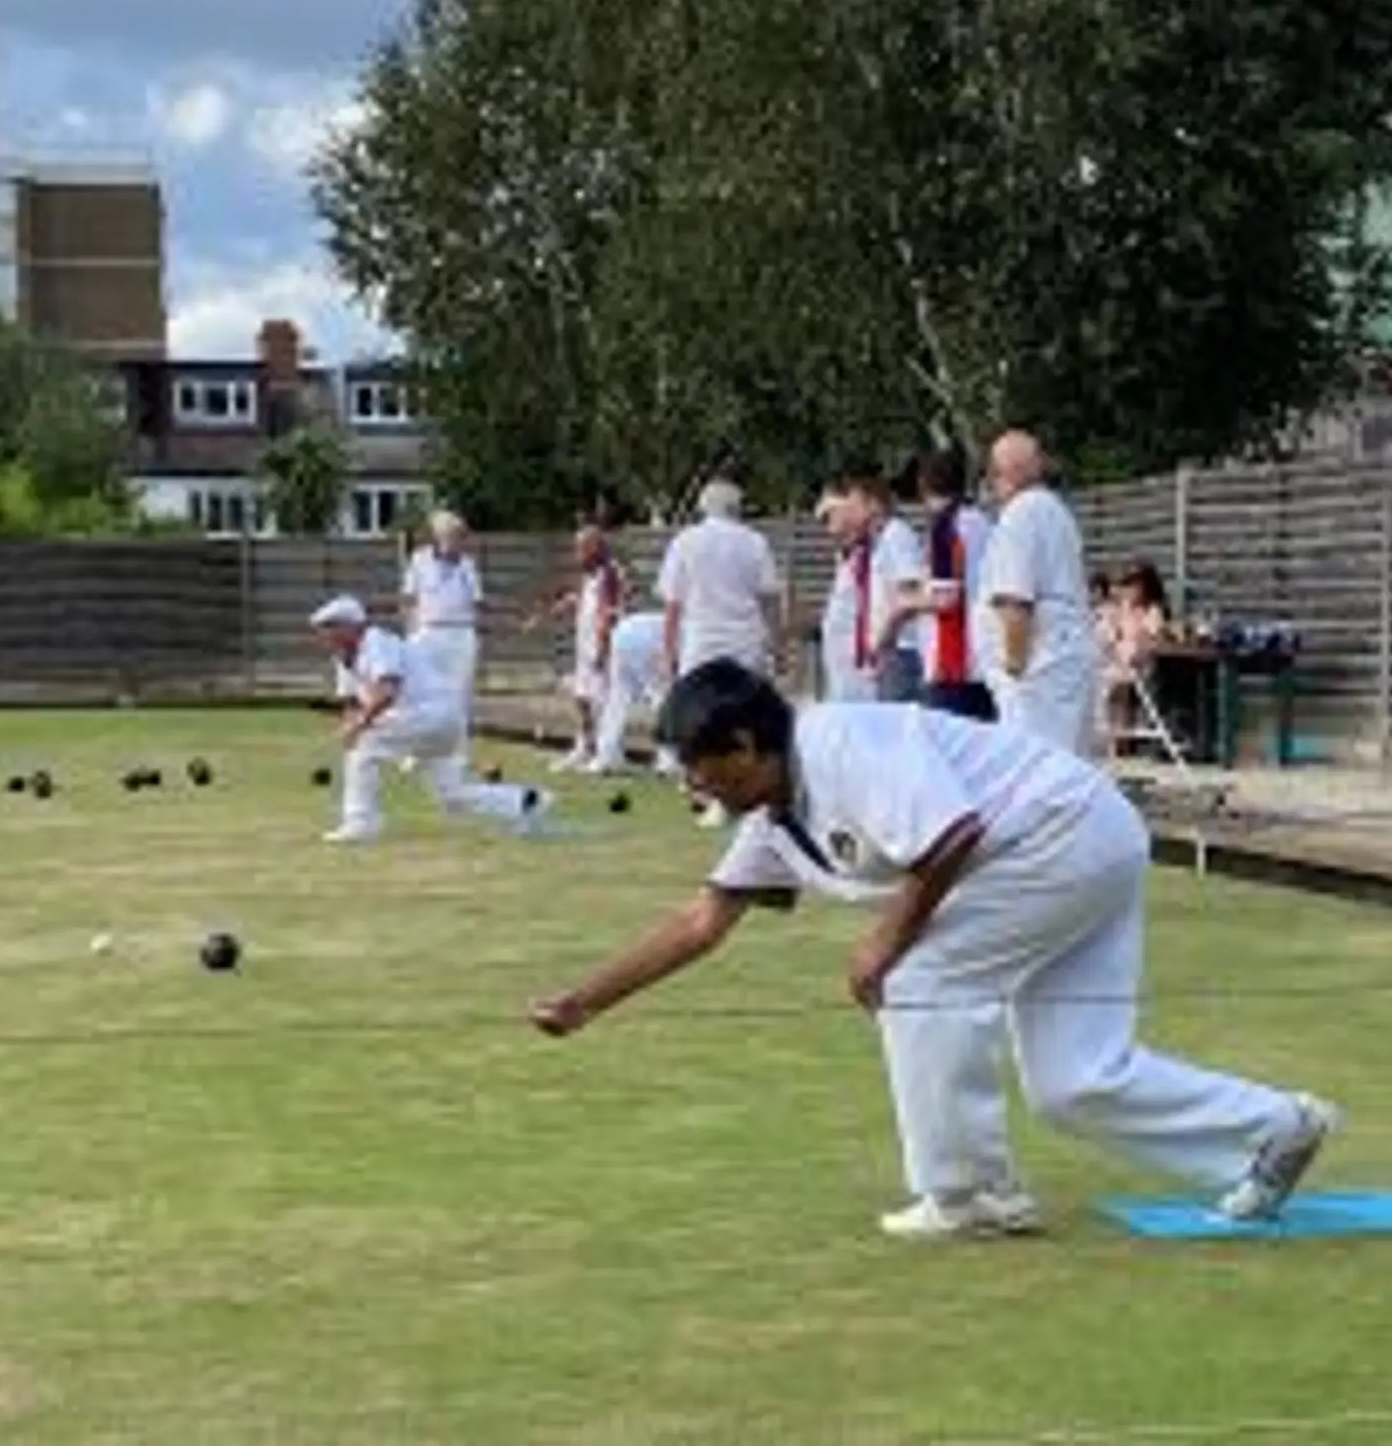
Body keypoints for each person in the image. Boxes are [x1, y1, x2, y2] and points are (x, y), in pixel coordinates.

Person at [529, 659, 1339, 1240]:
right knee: (1073, 1079)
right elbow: (701, 922)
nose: (693, 785)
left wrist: (884, 939)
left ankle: (971, 1195)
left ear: (743, 744)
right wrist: (584, 1001)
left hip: (1063, 834)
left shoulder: (841, 743)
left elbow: (952, 832)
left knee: (919, 975)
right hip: (1077, 846)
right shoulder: (774, 818)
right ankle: (1276, 1129)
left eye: (699, 768)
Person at [310, 595, 552, 842]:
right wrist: (350, 723)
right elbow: (352, 701)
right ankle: (526, 801)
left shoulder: (377, 643)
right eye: (321, 630)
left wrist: (360, 725)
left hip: (431, 715)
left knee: (366, 744)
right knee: (453, 795)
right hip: (432, 721)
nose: (323, 637)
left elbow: (387, 690)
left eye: (329, 628)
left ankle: (360, 822)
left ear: (351, 626)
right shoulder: (343, 657)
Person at [656, 478, 783, 826]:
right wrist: (778, 644)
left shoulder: (686, 541)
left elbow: (673, 604)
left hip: (702, 640)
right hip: (746, 640)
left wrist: (669, 651)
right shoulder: (755, 541)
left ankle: (714, 797)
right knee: (746, 723)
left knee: (700, 725)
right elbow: (769, 598)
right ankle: (745, 795)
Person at [979, 431, 1102, 755]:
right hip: (1067, 657)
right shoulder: (1057, 512)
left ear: (1001, 474)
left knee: (1032, 764)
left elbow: (1015, 599)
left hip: (1038, 670)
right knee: (1068, 762)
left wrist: (1013, 667)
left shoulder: (1019, 516)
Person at [822, 467, 926, 702]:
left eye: (855, 503)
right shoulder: (879, 542)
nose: (850, 509)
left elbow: (908, 592)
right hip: (887, 652)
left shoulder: (897, 534)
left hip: (899, 649)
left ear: (873, 504)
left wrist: (884, 640)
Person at [911, 445, 998, 723]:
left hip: (953, 664)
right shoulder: (984, 524)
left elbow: (946, 597)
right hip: (985, 657)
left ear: (924, 485)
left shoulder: (946, 529)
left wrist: (905, 603)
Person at [550, 525, 627, 773]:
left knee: (603, 701)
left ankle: (610, 755)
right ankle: (583, 746)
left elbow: (608, 613)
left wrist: (603, 648)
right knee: (581, 696)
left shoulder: (609, 572)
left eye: (581, 549)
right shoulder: (590, 574)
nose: (577, 555)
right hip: (584, 643)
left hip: (601, 645)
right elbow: (588, 601)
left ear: (594, 548)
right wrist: (569, 603)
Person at [402, 509, 485, 730]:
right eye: (454, 536)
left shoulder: (467, 565)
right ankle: (421, 738)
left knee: (460, 691)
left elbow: (477, 601)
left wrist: (476, 632)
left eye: (461, 537)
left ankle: (457, 738)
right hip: (428, 632)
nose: (459, 542)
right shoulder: (419, 560)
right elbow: (409, 599)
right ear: (439, 536)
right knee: (423, 688)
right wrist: (411, 632)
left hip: (460, 633)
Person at [586, 611, 681, 777]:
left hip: (622, 635)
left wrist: (602, 652)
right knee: (662, 699)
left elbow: (604, 625)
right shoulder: (692, 629)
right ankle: (668, 761)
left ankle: (605, 757)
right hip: (647, 640)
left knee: (617, 699)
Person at [816, 489, 879, 704]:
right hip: (839, 657)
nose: (828, 526)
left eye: (831, 515)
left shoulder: (869, 553)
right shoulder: (846, 556)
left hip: (859, 657)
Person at [1102, 561, 1171, 740]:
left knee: (1116, 680)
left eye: (1133, 586)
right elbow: (1110, 635)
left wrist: (1134, 650)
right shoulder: (1121, 609)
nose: (1128, 591)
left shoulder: (1152, 611)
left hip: (1140, 663)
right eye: (1126, 586)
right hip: (1115, 660)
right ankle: (1116, 734)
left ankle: (1125, 732)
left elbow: (1151, 639)